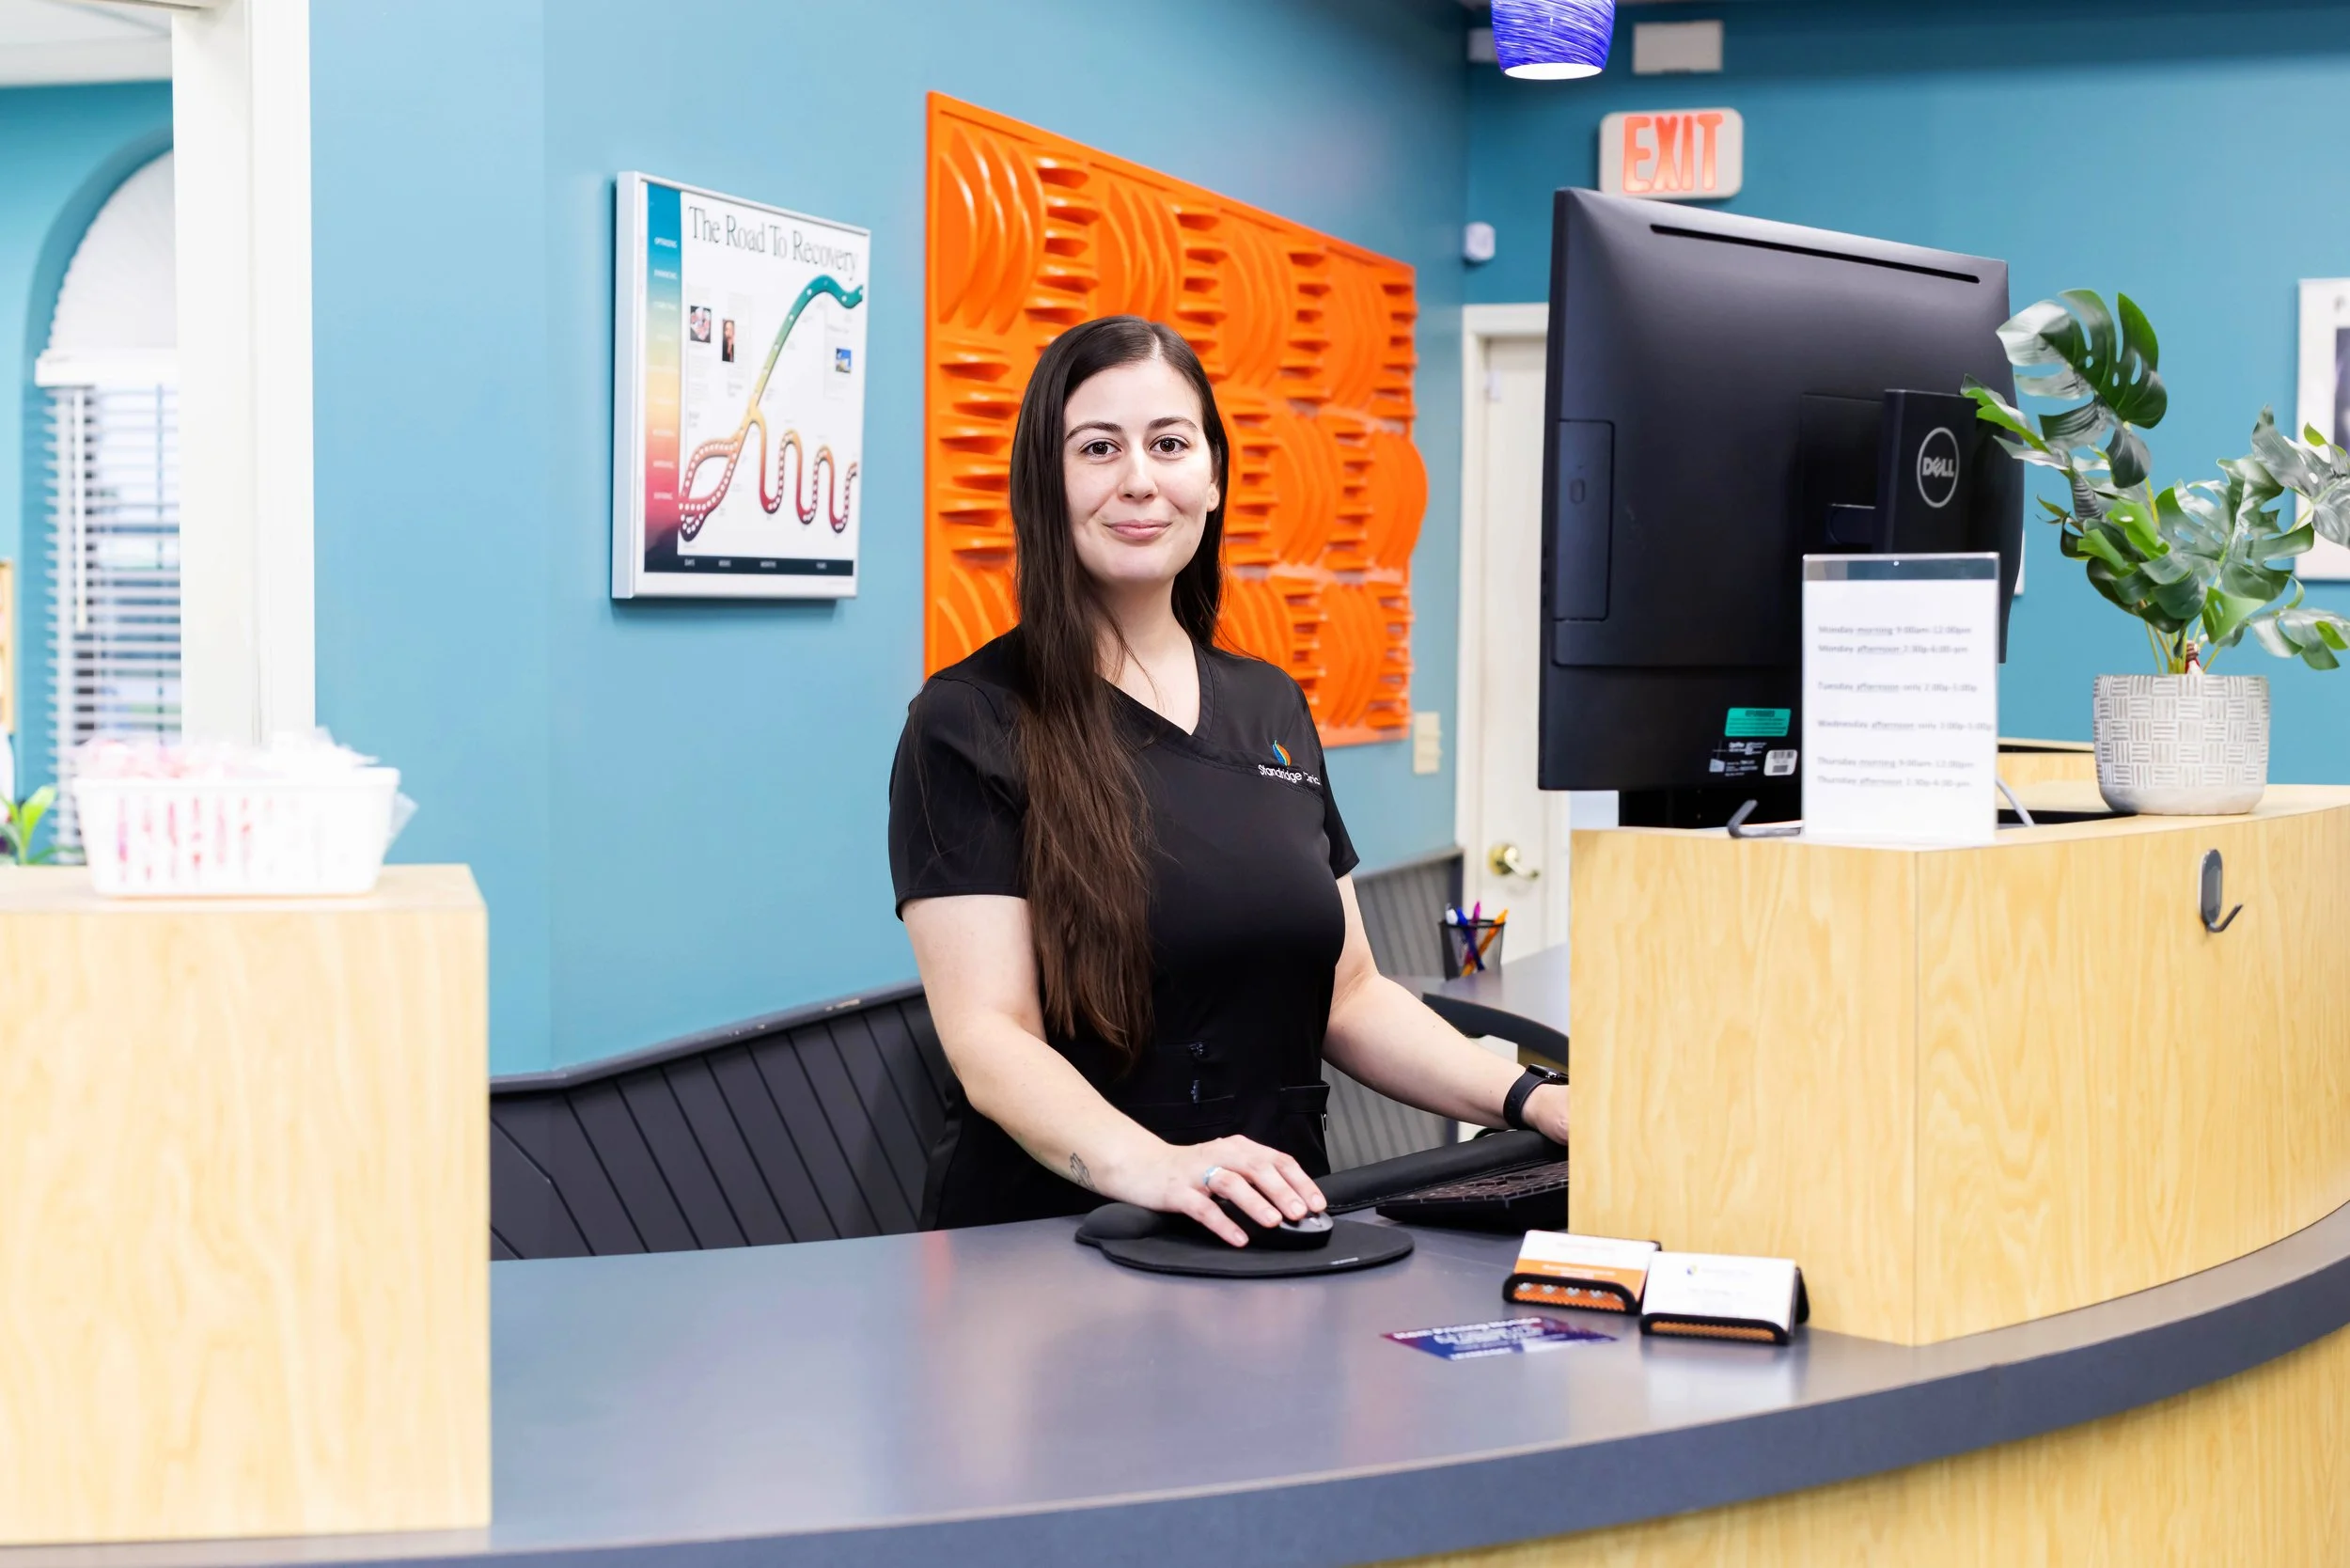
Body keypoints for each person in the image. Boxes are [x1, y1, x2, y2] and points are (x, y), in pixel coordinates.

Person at [888, 315, 1570, 1247]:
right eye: (1097, 447)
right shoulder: (969, 720)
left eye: (1169, 443)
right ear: (1044, 486)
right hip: (1063, 1241)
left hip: (1282, 1220)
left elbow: (1352, 994)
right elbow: (989, 1037)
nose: (1138, 477)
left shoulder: (1270, 706)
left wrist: (1530, 1097)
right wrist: (1159, 1166)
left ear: (1210, 478)